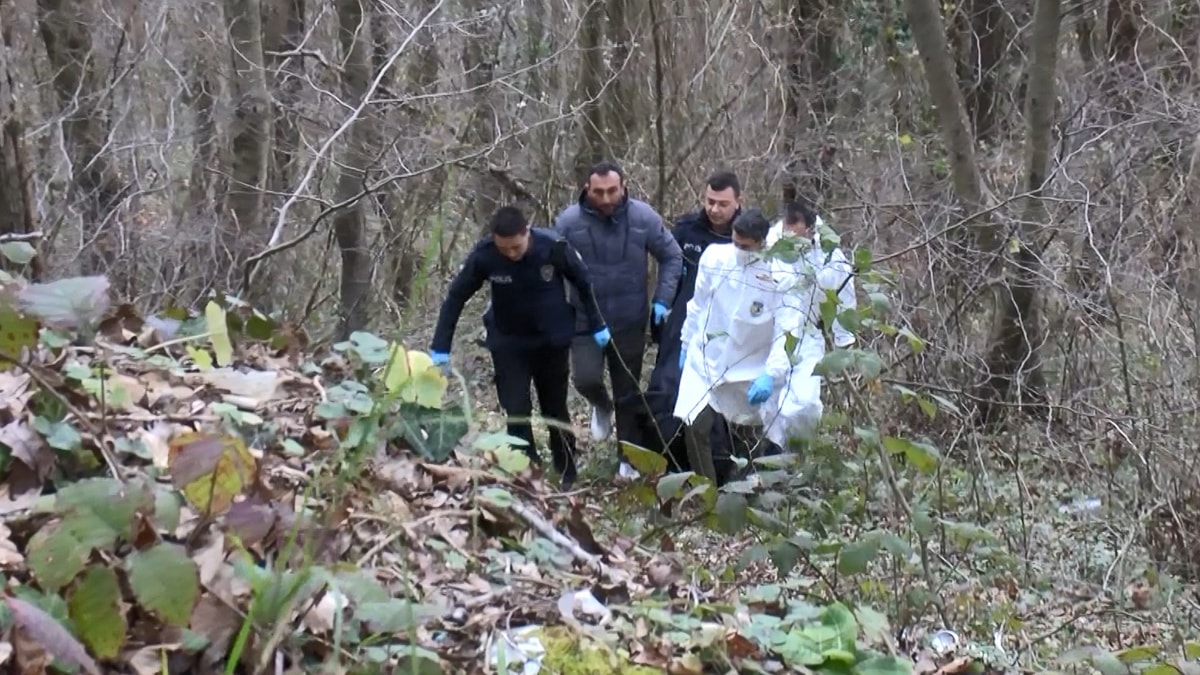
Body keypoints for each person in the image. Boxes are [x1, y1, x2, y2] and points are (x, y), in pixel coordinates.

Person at [429, 206, 609, 489]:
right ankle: (526, 470)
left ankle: (566, 467)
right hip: (509, 343)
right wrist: (441, 345)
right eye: (505, 249)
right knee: (515, 408)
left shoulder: (553, 247)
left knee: (554, 408)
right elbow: (456, 297)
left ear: (528, 233)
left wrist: (597, 324)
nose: (511, 254)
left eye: (516, 247)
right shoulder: (485, 255)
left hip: (551, 341)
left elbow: (583, 282)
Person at [553, 161, 683, 478]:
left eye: (612, 190)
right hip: (585, 319)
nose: (607, 198)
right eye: (599, 192)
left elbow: (672, 255)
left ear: (623, 187)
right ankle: (600, 404)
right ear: (587, 189)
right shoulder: (569, 222)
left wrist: (662, 300)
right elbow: (552, 266)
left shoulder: (643, 217)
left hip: (629, 319)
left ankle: (627, 459)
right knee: (585, 378)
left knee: (628, 391)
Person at [674, 207, 795, 485]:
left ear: (762, 243)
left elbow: (787, 330)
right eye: (735, 242)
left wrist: (772, 373)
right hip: (707, 356)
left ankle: (746, 491)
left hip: (751, 363)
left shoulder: (780, 275)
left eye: (746, 246)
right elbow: (697, 304)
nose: (739, 250)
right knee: (696, 423)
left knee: (751, 432)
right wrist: (685, 341)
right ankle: (707, 495)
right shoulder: (715, 258)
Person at [637, 170, 744, 471]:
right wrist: (662, 304)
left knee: (720, 398)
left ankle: (721, 465)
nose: (714, 209)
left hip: (729, 328)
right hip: (684, 323)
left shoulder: (749, 236)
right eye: (710, 201)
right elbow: (670, 269)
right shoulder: (687, 230)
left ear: (738, 202)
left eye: (722, 204)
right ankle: (664, 458)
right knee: (667, 387)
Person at [759, 200, 858, 449]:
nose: (789, 233)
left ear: (810, 229)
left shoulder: (829, 256)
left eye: (796, 228)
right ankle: (770, 455)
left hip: (807, 334)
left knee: (804, 402)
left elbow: (843, 297)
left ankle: (796, 456)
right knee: (769, 402)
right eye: (787, 226)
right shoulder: (770, 247)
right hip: (770, 333)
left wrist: (843, 339)